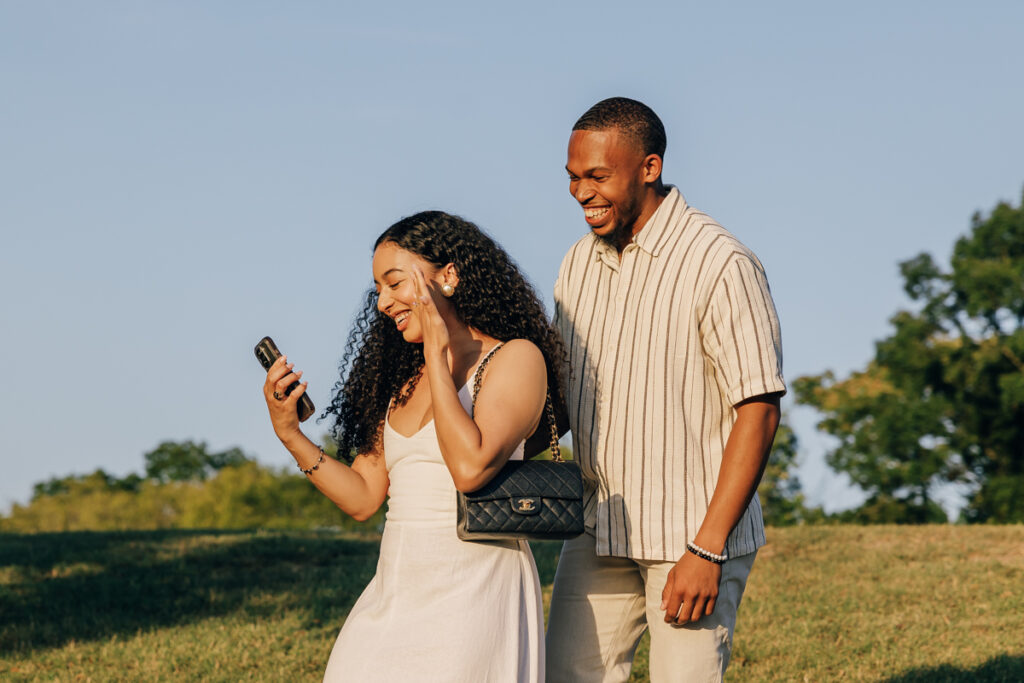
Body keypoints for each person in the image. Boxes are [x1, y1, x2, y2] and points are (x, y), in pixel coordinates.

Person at [261, 211, 564, 683]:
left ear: (448, 276)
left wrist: (438, 360)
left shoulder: (515, 359)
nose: (382, 302)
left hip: (473, 596)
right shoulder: (402, 380)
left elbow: (469, 468)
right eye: (377, 289)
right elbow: (364, 496)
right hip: (395, 591)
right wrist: (291, 436)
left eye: (394, 283)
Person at [545, 97, 786, 682]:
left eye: (597, 176)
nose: (581, 192)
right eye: (573, 177)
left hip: (692, 537)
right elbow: (562, 401)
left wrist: (707, 550)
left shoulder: (721, 261)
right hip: (598, 525)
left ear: (649, 167)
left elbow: (758, 409)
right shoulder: (577, 263)